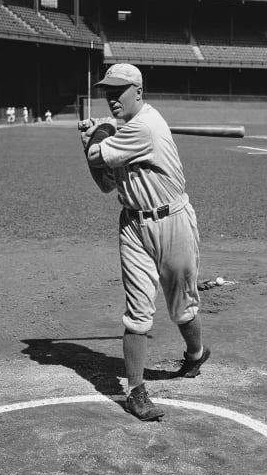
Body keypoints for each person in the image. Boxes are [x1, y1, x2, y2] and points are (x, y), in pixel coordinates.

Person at [81, 63, 211, 421]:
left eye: (118, 90)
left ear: (138, 92)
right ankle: (136, 392)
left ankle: (196, 354)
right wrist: (99, 138)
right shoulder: (126, 132)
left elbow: (97, 154)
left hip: (173, 222)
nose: (111, 96)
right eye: (107, 90)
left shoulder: (144, 127)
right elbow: (107, 184)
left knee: (182, 307)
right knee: (138, 313)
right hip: (133, 226)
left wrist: (96, 137)